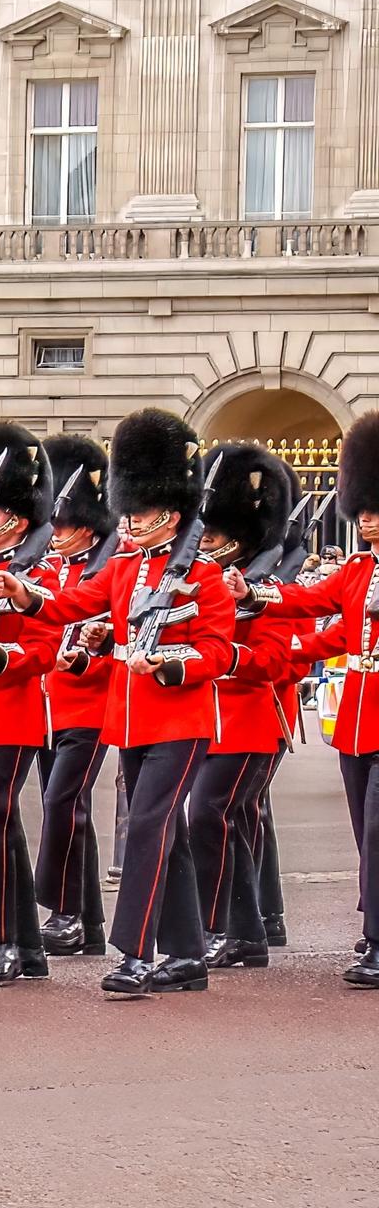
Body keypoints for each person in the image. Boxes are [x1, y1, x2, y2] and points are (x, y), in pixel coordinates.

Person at [0, 408, 237, 998]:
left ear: (171, 516)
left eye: (141, 513)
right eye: (127, 511)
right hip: (130, 719)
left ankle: (134, 952)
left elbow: (218, 652)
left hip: (181, 718)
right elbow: (67, 607)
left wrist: (171, 664)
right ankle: (186, 955)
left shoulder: (203, 577)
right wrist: (21, 592)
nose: (128, 522)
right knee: (168, 835)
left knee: (149, 825)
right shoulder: (124, 570)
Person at [226, 410, 379, 987]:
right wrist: (257, 595)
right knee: (367, 832)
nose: (365, 521)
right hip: (361, 721)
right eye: (360, 511)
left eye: (373, 510)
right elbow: (307, 602)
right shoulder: (358, 570)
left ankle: (377, 940)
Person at [184, 445, 293, 970]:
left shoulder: (265, 588)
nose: (203, 544)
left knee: (210, 814)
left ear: (238, 539)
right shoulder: (199, 582)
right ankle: (250, 931)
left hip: (252, 724)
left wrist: (224, 654)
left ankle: (223, 927)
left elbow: (276, 661)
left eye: (213, 537)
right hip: (207, 720)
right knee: (235, 821)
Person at [0, 422, 57, 985]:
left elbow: (42, 650)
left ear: (16, 521)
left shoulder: (34, 574)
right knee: (2, 825)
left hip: (15, 712)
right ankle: (25, 943)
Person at [33, 434, 117, 956]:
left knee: (63, 802)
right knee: (67, 807)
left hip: (91, 704)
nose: (53, 532)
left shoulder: (108, 569)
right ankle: (86, 923)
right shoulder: (47, 567)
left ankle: (63, 912)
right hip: (48, 702)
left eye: (61, 525)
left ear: (86, 525)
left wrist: (102, 638)